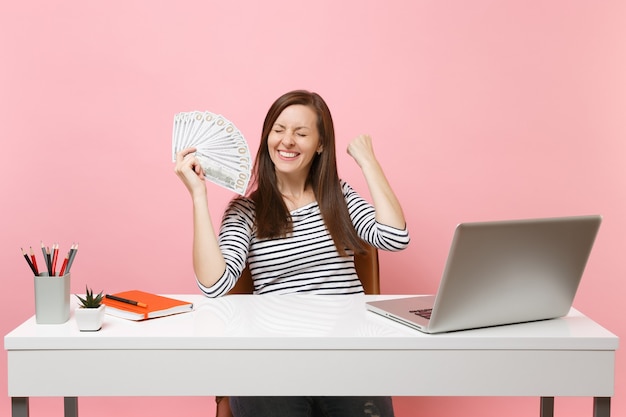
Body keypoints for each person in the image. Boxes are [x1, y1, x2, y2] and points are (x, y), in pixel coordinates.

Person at [174, 90, 410, 417]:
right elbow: (215, 286)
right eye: (278, 130)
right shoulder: (246, 211)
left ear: (320, 144)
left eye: (301, 133)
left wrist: (368, 161)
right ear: (266, 137)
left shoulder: (339, 197)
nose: (287, 141)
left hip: (347, 356)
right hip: (273, 361)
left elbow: (394, 236)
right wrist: (198, 195)